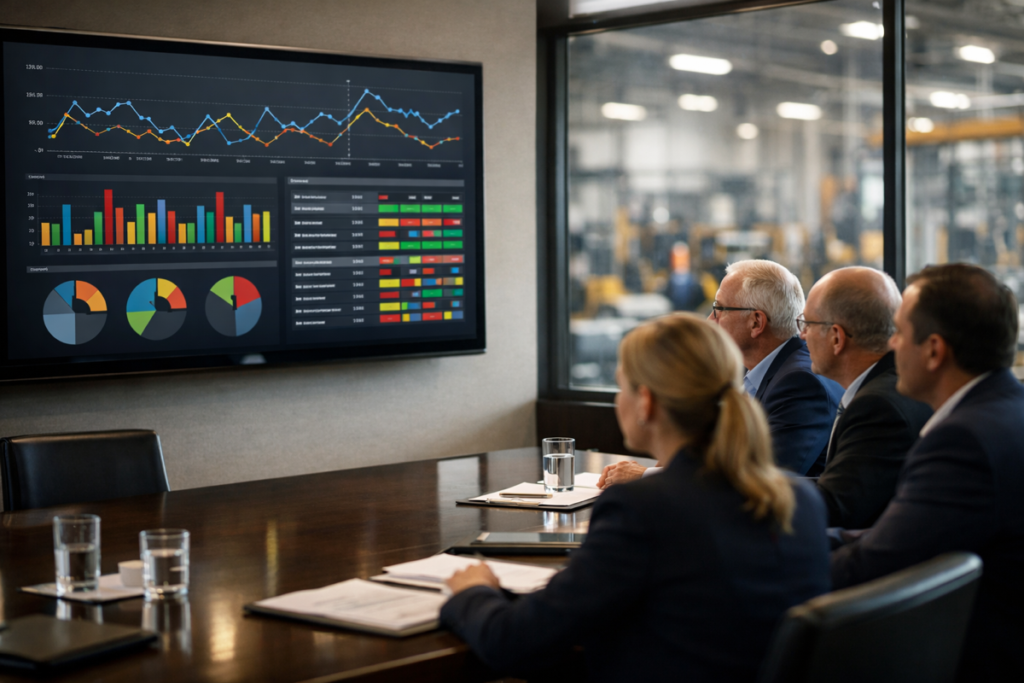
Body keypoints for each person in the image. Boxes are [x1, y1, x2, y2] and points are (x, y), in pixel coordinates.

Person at [441, 314, 830, 682]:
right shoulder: (801, 499)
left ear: (646, 402)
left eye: (621, 386)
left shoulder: (642, 508)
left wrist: (474, 591)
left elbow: (513, 642)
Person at [831, 264, 1024, 682]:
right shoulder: (1008, 409)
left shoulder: (963, 442)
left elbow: (875, 567)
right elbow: (914, 534)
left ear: (934, 351)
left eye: (899, 332)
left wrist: (775, 560)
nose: (891, 344)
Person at [600, 259, 842, 487]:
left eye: (719, 309)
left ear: (756, 323)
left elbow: (758, 480)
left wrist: (647, 477)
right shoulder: (760, 370)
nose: (710, 319)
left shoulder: (800, 383)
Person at [799, 266, 932, 528]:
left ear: (836, 338)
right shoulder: (887, 387)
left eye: (807, 324)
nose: (802, 335)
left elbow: (835, 509)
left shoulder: (879, 407)